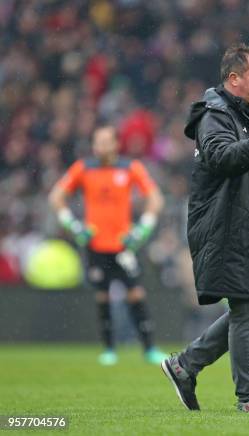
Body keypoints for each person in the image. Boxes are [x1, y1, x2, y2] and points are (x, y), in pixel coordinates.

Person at [161, 43, 249, 413]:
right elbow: (221, 158)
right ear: (233, 79)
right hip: (224, 227)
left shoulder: (246, 113)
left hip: (245, 226)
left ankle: (185, 365)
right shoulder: (214, 115)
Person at [49, 125, 166, 366]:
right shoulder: (84, 168)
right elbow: (56, 197)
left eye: (105, 141)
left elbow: (156, 198)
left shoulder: (130, 168)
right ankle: (109, 350)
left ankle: (149, 349)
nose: (100, 146)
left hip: (125, 245)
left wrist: (143, 227)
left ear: (115, 144)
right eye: (97, 142)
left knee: (135, 293)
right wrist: (73, 225)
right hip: (96, 245)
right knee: (102, 296)